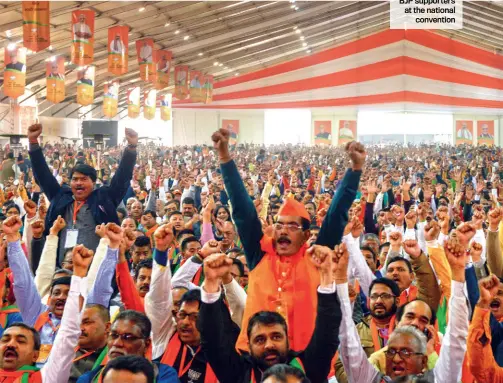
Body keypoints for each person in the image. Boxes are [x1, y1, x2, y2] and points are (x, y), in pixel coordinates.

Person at [211, 128, 364, 351]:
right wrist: (224, 156)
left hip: (303, 361)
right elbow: (243, 211)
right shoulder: (259, 254)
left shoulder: (316, 258)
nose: (283, 231)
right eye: (280, 224)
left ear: (305, 236)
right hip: (256, 358)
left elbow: (335, 214)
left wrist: (355, 169)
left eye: (292, 226)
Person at [198, 246, 342, 383]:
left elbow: (327, 334)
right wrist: (211, 282)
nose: (269, 345)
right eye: (260, 340)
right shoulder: (239, 373)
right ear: (249, 345)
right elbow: (213, 343)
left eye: (276, 336)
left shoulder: (308, 369)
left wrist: (326, 275)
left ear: (288, 341)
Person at [337, 236, 469, 382]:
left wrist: (457, 273)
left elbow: (457, 336)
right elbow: (347, 344)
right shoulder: (371, 373)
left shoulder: (438, 373)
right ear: (397, 323)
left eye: (423, 320)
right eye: (410, 316)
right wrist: (341, 279)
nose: (414, 323)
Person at [27, 123, 138, 264]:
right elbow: (43, 175)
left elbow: (122, 178)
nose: (78, 183)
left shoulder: (103, 198)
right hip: (63, 270)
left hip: (95, 271)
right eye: (75, 179)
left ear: (93, 182)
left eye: (84, 179)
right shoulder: (60, 196)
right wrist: (33, 143)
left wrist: (131, 148)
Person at [0, 219, 93, 382]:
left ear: (35, 355)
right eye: (5, 340)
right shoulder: (38, 315)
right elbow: (24, 285)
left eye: (21, 341)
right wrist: (13, 239)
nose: (11, 345)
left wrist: (79, 275)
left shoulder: (43, 378)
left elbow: (69, 331)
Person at [77, 310, 179, 382]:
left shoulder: (163, 375)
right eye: (114, 335)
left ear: (146, 344)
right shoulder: (88, 379)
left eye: (128, 337)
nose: (117, 343)